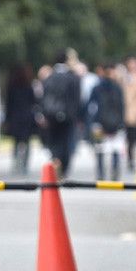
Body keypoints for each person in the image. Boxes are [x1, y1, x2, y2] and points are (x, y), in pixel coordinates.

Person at [38, 47, 81, 178]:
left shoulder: (50, 77)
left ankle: (56, 161)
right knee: (66, 140)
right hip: (68, 114)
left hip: (52, 114)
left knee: (54, 140)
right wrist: (79, 116)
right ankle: (64, 167)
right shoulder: (72, 77)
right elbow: (77, 97)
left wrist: (43, 114)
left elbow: (44, 96)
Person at [86, 62, 126, 181]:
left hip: (99, 123)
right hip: (116, 123)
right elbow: (121, 107)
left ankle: (100, 174)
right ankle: (114, 174)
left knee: (100, 150)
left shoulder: (97, 88)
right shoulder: (118, 88)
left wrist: (92, 122)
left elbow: (91, 107)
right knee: (115, 149)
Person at [3, 63, 37, 175]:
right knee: (26, 142)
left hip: (15, 117)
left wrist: (7, 118)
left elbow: (8, 104)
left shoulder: (12, 86)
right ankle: (25, 164)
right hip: (27, 117)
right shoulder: (29, 86)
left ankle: (15, 162)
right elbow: (33, 102)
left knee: (16, 142)